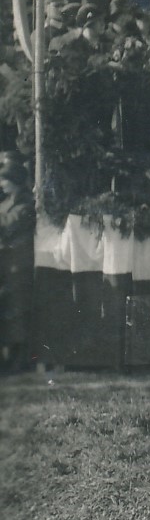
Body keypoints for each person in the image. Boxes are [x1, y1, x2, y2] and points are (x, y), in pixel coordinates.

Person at [0, 153, 34, 369]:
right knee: (7, 313)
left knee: (18, 313)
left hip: (18, 266)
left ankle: (19, 360)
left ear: (15, 181)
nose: (1, 184)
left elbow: (8, 225)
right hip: (6, 266)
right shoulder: (6, 203)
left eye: (4, 179)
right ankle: (9, 359)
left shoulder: (26, 206)